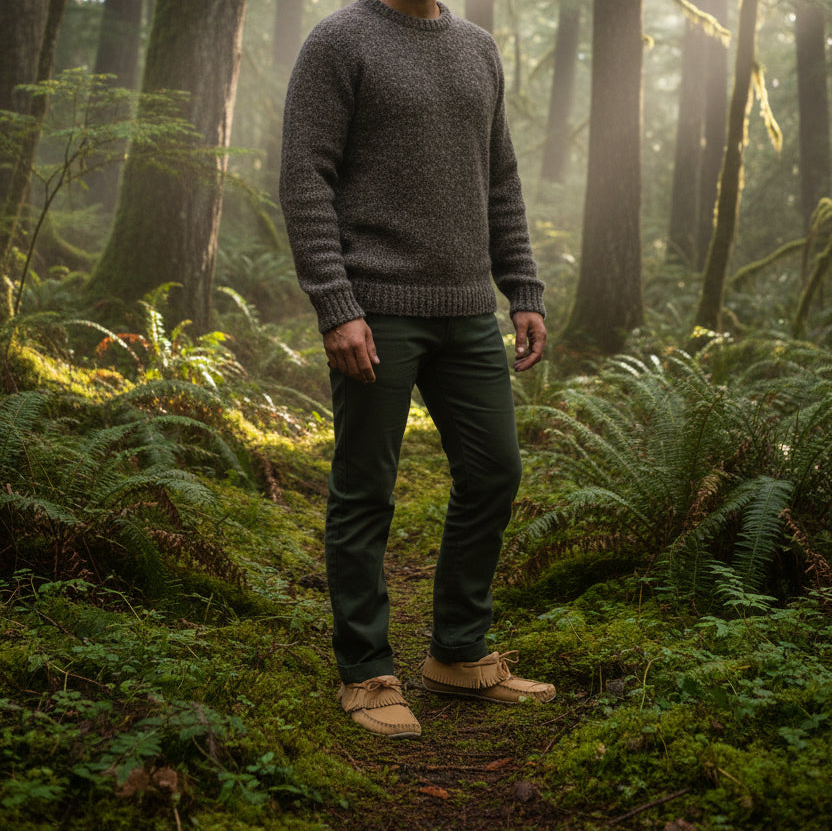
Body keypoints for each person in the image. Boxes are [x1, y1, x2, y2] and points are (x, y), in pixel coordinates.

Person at [279, 0, 555, 739]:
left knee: (495, 471)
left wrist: (521, 287)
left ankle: (458, 654)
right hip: (376, 307)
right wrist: (336, 304)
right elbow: (306, 177)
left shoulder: (478, 49)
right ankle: (366, 672)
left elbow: (501, 179)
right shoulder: (339, 40)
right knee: (366, 486)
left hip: (468, 311)